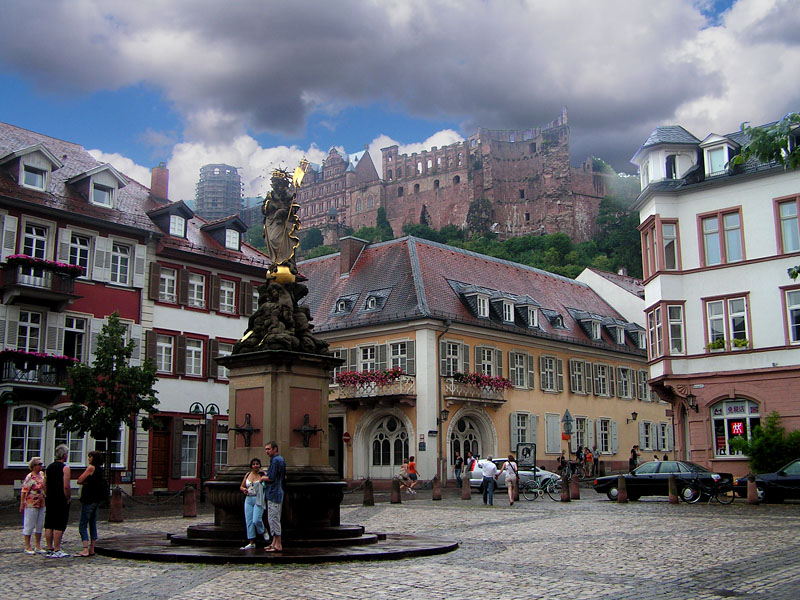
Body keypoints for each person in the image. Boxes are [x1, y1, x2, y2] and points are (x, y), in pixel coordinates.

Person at [75, 450, 106, 557]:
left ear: (94, 458)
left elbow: (79, 480)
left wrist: (86, 482)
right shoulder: (100, 470)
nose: (88, 459)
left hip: (89, 498)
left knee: (82, 524)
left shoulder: (91, 468)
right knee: (92, 523)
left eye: (90, 457)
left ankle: (85, 548)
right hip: (97, 499)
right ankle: (92, 548)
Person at [44, 444, 71, 558]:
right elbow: (66, 486)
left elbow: (44, 483)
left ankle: (49, 548)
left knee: (49, 523)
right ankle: (57, 548)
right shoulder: (65, 468)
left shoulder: (49, 467)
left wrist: (47, 494)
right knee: (59, 524)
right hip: (60, 498)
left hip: (50, 497)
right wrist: (68, 497)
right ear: (64, 455)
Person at [261, 441, 286, 552]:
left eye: (269, 449)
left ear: (275, 449)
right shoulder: (279, 460)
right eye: (266, 449)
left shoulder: (276, 461)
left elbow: (272, 478)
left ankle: (278, 544)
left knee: (274, 518)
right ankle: (274, 542)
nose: (267, 451)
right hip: (275, 491)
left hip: (274, 493)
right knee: (272, 518)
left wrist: (262, 478)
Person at [239, 458, 268, 550]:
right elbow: (242, 486)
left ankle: (263, 530)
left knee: (256, 519)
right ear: (251, 466)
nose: (255, 465)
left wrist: (265, 476)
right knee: (249, 521)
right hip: (248, 499)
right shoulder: (248, 474)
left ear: (260, 465)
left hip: (258, 498)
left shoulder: (261, 475)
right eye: (254, 464)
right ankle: (251, 542)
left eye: (257, 464)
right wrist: (243, 489)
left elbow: (267, 484)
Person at [20, 456, 46, 555]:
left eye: (41, 464)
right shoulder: (30, 476)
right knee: (29, 524)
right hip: (31, 503)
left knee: (39, 524)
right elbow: (24, 490)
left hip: (41, 502)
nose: (41, 466)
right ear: (34, 466)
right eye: (39, 464)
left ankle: (38, 545)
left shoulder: (42, 475)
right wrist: (22, 503)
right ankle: (27, 545)